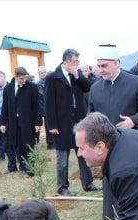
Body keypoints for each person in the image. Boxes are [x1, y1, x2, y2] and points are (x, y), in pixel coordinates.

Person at [88, 43, 138, 220]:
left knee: (133, 179)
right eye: (99, 66)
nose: (100, 70)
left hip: (131, 141)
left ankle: (137, 215)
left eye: (104, 66)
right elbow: (90, 115)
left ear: (116, 63)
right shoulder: (95, 88)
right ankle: (112, 215)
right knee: (110, 178)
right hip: (105, 144)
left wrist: (133, 120)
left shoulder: (136, 82)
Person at [45, 48, 97, 196]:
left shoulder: (77, 75)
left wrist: (77, 76)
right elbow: (49, 104)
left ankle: (87, 183)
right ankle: (62, 187)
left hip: (78, 122)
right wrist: (52, 125)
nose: (76, 64)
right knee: (62, 159)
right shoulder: (53, 78)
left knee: (83, 154)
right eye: (74, 62)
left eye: (77, 62)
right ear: (66, 62)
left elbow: (88, 87)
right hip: (61, 124)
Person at [0, 66, 42, 175]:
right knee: (18, 145)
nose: (24, 80)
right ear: (16, 77)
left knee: (29, 144)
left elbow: (37, 105)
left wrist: (38, 122)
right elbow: (5, 106)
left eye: (25, 78)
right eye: (21, 78)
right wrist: (3, 122)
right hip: (14, 123)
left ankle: (31, 168)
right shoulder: (8, 89)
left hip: (29, 122)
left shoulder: (32, 87)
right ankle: (23, 167)